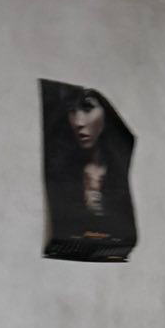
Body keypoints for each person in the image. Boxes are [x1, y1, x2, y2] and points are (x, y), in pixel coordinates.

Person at [44, 83, 136, 248]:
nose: (78, 122)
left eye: (87, 108)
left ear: (106, 114)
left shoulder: (118, 170)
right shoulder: (62, 171)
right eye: (72, 111)